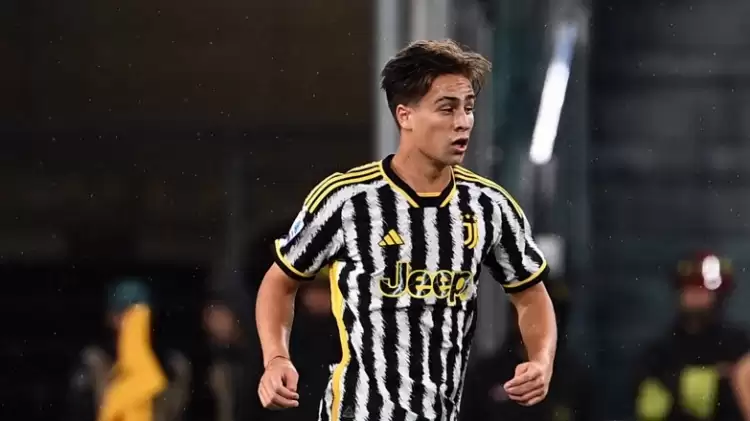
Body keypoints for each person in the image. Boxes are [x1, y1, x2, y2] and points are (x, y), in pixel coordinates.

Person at [255, 39, 557, 421]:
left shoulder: (489, 206)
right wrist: (276, 358)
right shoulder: (347, 200)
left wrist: (541, 360)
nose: (463, 121)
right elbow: (280, 281)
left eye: (468, 108)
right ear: (405, 115)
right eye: (447, 108)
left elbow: (531, 293)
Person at [632, 252, 750, 421]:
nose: (696, 294)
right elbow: (649, 407)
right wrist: (718, 381)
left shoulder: (738, 344)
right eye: (690, 286)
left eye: (703, 288)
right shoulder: (659, 353)